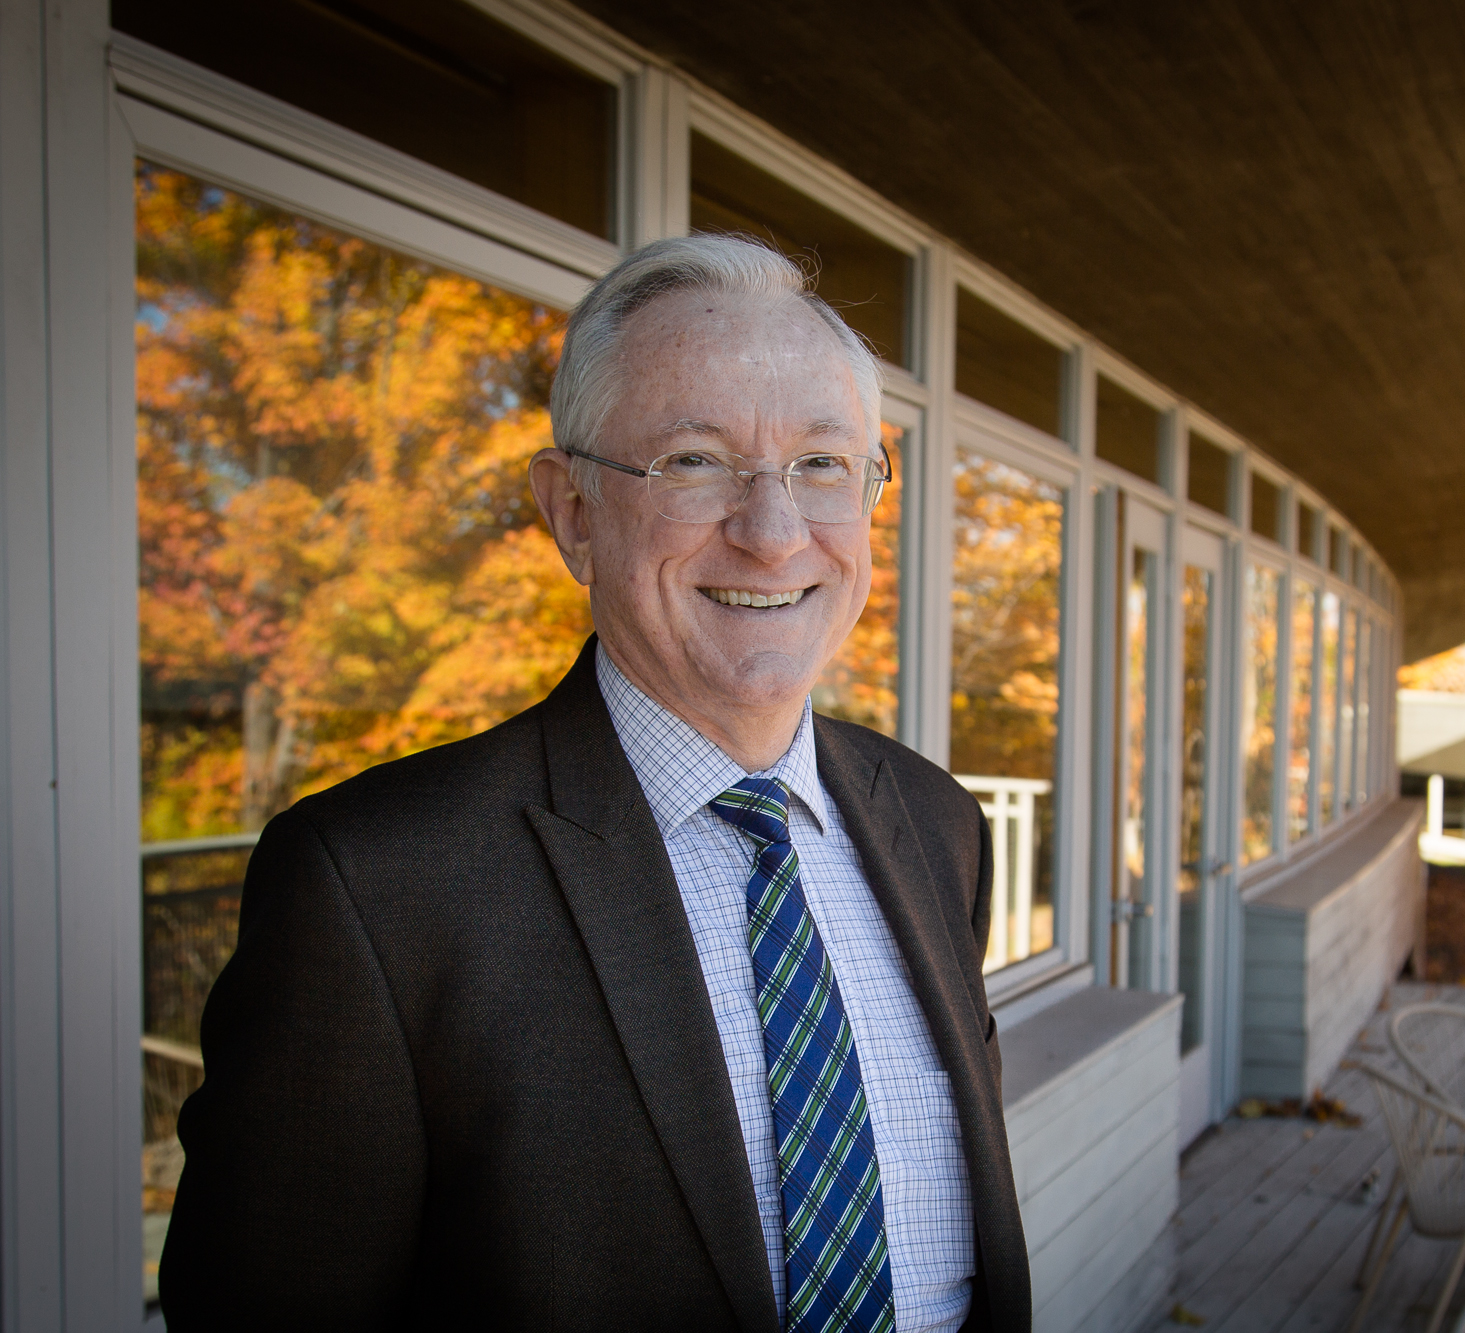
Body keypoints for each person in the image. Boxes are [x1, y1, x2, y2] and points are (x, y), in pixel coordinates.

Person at [160, 234, 1032, 1332]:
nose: (772, 533)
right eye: (694, 460)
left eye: (820, 464)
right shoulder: (374, 892)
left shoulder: (935, 822)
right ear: (572, 512)